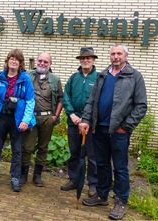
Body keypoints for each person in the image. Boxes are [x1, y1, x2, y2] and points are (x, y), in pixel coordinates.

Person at [79, 44, 147, 220]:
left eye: (119, 54)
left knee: (120, 167)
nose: (115, 56)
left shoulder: (134, 76)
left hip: (119, 132)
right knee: (101, 163)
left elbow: (141, 106)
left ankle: (121, 201)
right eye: (113, 54)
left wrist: (126, 126)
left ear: (125, 56)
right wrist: (86, 120)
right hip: (99, 128)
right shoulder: (103, 75)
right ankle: (102, 196)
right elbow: (91, 101)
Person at [0, 49, 36, 192]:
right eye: (11, 59)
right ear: (7, 61)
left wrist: (25, 120)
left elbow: (30, 101)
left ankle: (15, 178)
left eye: (17, 60)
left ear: (20, 63)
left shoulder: (25, 78)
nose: (13, 61)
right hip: (1, 116)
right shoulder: (0, 77)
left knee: (17, 150)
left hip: (17, 118)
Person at [21, 52, 63, 187]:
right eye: (40, 61)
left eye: (45, 62)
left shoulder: (55, 80)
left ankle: (37, 175)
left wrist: (55, 116)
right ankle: (23, 174)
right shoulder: (27, 76)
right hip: (31, 117)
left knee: (43, 147)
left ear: (50, 64)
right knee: (27, 147)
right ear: (37, 61)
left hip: (47, 118)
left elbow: (61, 99)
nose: (42, 64)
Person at [61, 47, 98, 197]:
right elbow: (66, 97)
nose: (85, 60)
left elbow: (98, 101)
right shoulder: (73, 78)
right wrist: (71, 114)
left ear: (93, 59)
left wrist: (87, 119)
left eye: (88, 58)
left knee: (92, 155)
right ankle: (74, 179)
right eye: (83, 58)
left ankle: (93, 184)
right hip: (73, 122)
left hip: (90, 125)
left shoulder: (99, 78)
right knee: (74, 152)